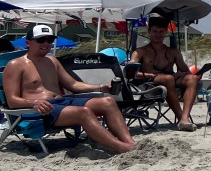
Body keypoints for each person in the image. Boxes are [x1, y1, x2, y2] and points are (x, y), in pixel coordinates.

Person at [2, 24, 135, 154]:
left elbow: (73, 85)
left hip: (63, 103)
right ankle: (122, 148)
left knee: (108, 102)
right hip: (40, 111)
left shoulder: (52, 61)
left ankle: (130, 143)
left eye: (50, 40)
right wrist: (34, 103)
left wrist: (101, 87)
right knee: (83, 112)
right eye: (41, 40)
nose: (46, 43)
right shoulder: (15, 65)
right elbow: (12, 101)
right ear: (28, 42)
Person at [130, 15, 200, 131]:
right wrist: (150, 75)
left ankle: (184, 118)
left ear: (166, 32)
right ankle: (181, 118)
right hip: (149, 83)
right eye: (155, 31)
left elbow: (186, 71)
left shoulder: (173, 52)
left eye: (161, 31)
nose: (158, 34)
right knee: (167, 78)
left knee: (192, 78)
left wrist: (181, 74)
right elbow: (130, 72)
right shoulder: (140, 51)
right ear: (149, 31)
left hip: (170, 79)